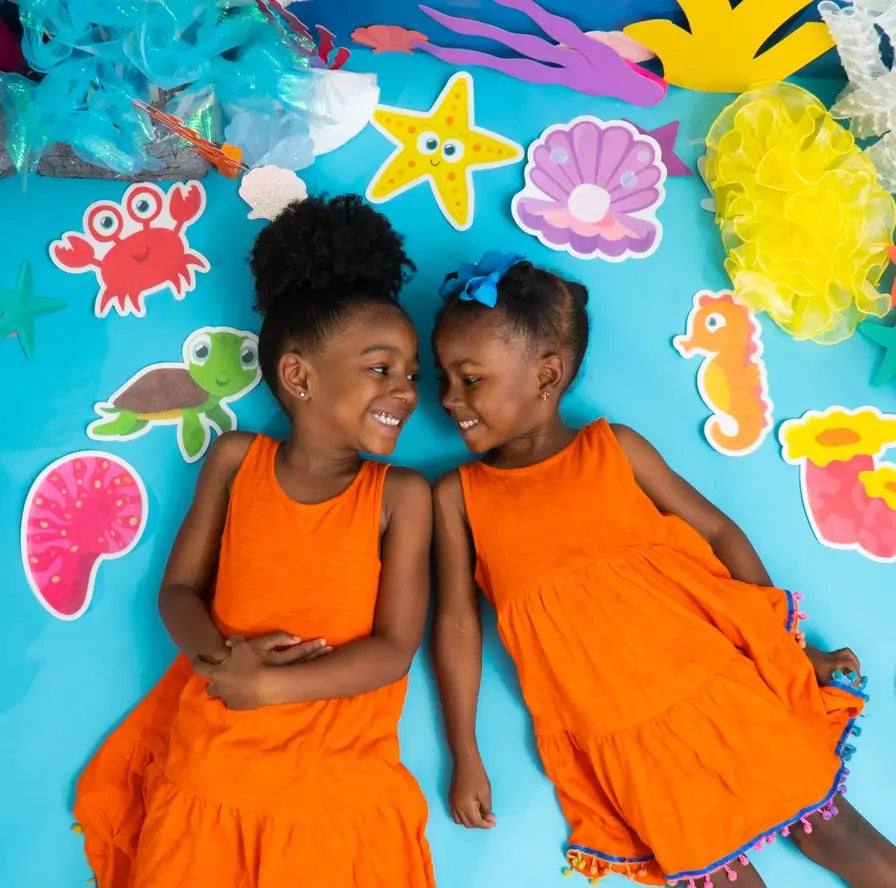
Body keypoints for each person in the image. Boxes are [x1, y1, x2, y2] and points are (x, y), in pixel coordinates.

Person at [430, 251, 896, 888]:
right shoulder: (458, 498)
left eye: (469, 378)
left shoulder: (613, 450)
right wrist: (465, 753)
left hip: (722, 689)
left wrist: (788, 650)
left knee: (842, 837)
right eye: (443, 378)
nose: (448, 398)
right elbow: (458, 628)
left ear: (547, 374)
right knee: (721, 879)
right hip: (626, 742)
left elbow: (719, 533)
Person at [74, 195, 436, 888]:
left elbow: (393, 651)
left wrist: (271, 685)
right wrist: (222, 663)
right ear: (299, 376)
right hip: (212, 776)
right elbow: (179, 592)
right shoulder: (237, 460)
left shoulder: (400, 496)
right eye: (381, 368)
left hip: (332, 795)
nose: (407, 392)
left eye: (412, 374)